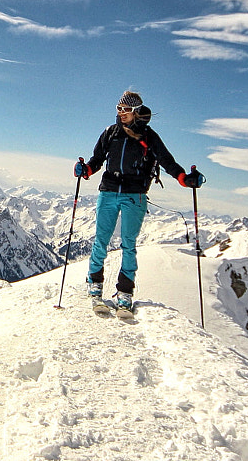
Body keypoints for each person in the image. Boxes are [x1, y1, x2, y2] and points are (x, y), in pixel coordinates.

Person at [72, 90, 202, 312]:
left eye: (125, 110)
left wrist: (184, 179)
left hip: (135, 195)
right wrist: (86, 170)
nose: (121, 113)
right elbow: (97, 159)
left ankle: (125, 292)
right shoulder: (110, 133)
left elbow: (167, 161)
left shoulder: (149, 137)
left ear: (136, 112)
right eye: (118, 109)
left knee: (128, 244)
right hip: (109, 191)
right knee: (101, 240)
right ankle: (94, 284)